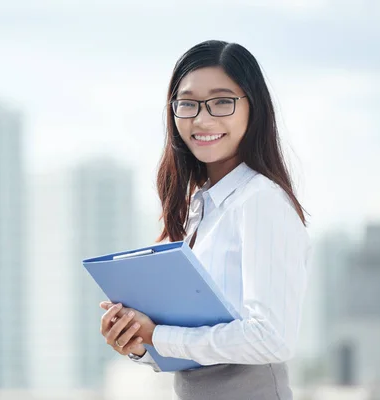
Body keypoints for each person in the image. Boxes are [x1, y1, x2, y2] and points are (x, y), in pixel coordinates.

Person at [98, 40, 311, 400]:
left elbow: (271, 338)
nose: (202, 118)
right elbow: (197, 342)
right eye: (188, 103)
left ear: (253, 108)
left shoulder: (260, 201)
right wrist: (137, 340)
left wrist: (158, 335)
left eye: (222, 101)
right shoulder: (200, 206)